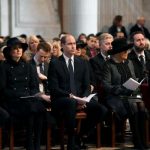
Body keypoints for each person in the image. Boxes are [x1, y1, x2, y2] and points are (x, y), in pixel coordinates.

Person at [48, 34, 107, 150]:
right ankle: (71, 141)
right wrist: (69, 96)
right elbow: (54, 88)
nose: (73, 46)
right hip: (61, 99)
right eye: (69, 44)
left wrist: (84, 98)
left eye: (74, 43)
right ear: (62, 46)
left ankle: (78, 136)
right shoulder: (55, 63)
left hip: (79, 99)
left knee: (102, 110)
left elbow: (86, 85)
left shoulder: (82, 63)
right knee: (71, 103)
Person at [102, 38, 148, 150]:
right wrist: (122, 89)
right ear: (117, 53)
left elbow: (133, 80)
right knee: (133, 106)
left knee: (141, 106)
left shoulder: (130, 62)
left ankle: (143, 140)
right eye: (124, 51)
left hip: (131, 95)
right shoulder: (108, 65)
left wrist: (134, 87)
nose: (127, 53)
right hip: (115, 97)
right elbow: (106, 85)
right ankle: (137, 141)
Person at [1, 37, 46, 150]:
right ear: (9, 51)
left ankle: (37, 143)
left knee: (40, 107)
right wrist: (20, 96)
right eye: (15, 48)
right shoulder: (3, 67)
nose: (18, 50)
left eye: (20, 48)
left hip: (28, 98)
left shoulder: (28, 66)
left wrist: (31, 95)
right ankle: (30, 143)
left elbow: (34, 86)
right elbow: (3, 89)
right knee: (30, 108)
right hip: (12, 101)